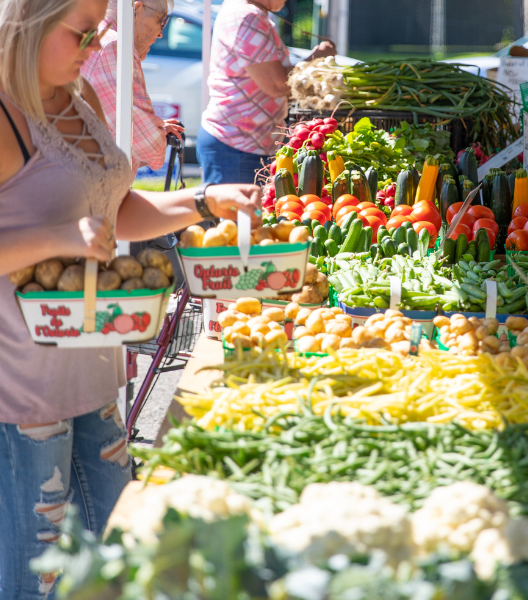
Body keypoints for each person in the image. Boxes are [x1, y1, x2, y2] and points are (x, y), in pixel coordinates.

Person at [0, 0, 261, 597]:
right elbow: (75, 227)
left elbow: (113, 208)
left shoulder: (81, 96)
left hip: (94, 377)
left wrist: (203, 202)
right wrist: (61, 238)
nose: (97, 45)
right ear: (32, 20)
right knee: (34, 580)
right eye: (83, 32)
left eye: (100, 30)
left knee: (120, 566)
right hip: (20, 397)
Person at [198, 0, 336, 185]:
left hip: (245, 143)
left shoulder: (247, 12)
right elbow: (277, 84)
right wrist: (315, 60)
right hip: (238, 145)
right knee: (243, 214)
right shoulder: (247, 17)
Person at [81, 0, 184, 179]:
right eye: (161, 21)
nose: (160, 33)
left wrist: (155, 128)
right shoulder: (114, 44)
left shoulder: (97, 35)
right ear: (136, 8)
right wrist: (158, 135)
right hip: (94, 184)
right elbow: (147, 144)